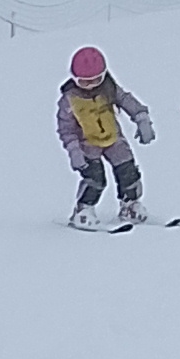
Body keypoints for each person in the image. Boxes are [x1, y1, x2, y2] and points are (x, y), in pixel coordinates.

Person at [57, 46, 154, 230]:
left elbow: (126, 100)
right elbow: (66, 129)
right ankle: (83, 210)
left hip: (114, 140)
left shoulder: (109, 88)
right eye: (84, 82)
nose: (91, 86)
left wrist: (142, 118)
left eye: (96, 80)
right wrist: (74, 151)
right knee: (95, 179)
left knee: (128, 171)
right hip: (87, 145)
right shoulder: (69, 100)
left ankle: (130, 205)